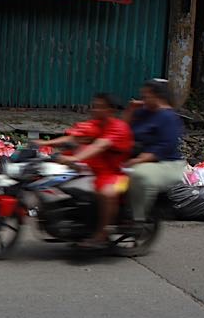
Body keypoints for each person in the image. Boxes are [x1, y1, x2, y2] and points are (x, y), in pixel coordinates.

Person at [35, 93, 133, 247]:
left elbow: (99, 146)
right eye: (94, 106)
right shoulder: (94, 124)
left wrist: (75, 158)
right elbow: (73, 138)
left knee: (106, 193)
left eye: (100, 107)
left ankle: (102, 234)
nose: (95, 110)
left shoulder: (119, 128)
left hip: (117, 175)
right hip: (92, 169)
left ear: (110, 110)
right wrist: (44, 143)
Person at [123, 79, 186, 222]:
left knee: (140, 175)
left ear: (157, 96)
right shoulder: (143, 112)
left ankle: (138, 217)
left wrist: (138, 160)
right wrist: (131, 109)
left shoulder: (168, 117)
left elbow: (165, 146)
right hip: (138, 158)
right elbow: (122, 130)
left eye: (146, 96)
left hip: (165, 163)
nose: (143, 99)